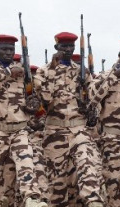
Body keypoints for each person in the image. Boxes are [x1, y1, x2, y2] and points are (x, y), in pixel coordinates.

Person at [0, 34, 47, 207]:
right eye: (4, 49)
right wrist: (7, 73)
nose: (8, 52)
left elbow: (38, 91)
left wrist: (33, 104)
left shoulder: (22, 72)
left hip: (19, 130)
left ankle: (32, 198)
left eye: (11, 49)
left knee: (27, 161)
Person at [33, 32, 104, 206]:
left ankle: (94, 201)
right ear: (56, 47)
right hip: (54, 132)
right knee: (57, 184)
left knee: (89, 163)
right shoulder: (43, 71)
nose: (68, 50)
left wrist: (92, 109)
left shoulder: (82, 71)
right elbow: (45, 100)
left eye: (71, 46)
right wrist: (53, 68)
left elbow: (94, 95)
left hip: (79, 129)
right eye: (64, 46)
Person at [88, 38, 120, 206]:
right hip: (112, 142)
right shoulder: (105, 77)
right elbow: (93, 97)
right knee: (114, 190)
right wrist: (115, 76)